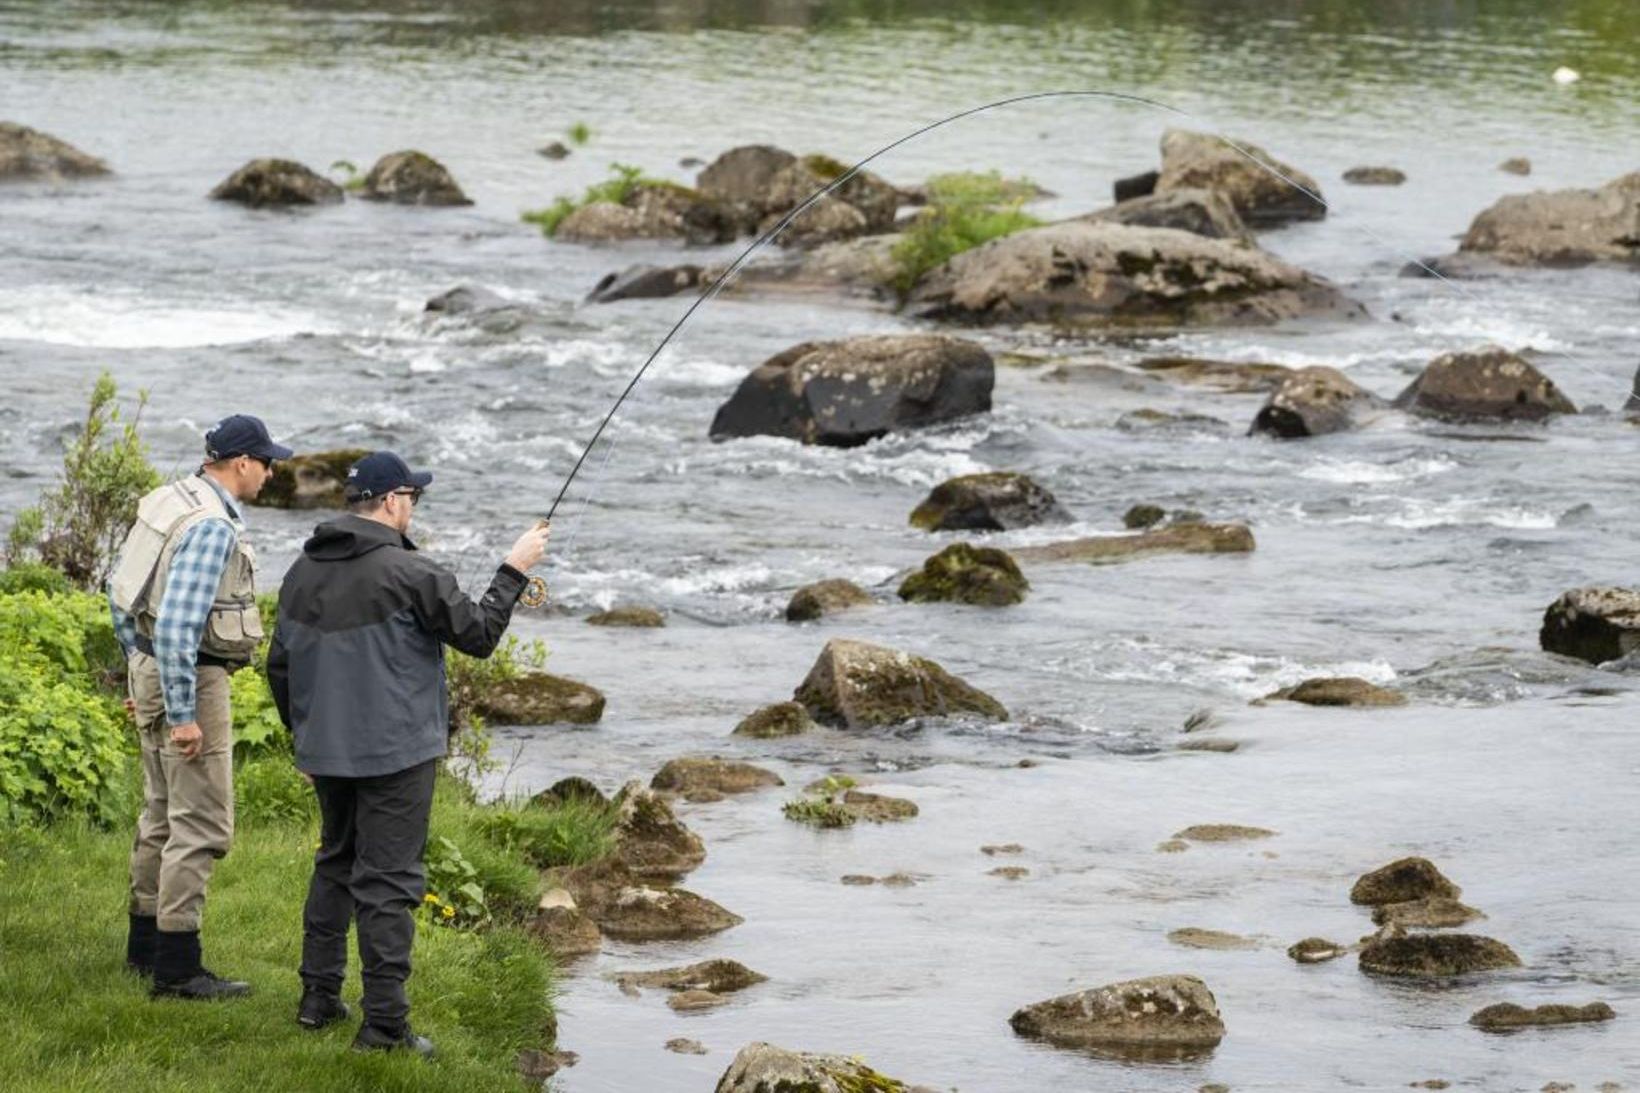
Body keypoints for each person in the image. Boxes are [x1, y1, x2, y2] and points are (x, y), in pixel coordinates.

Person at [266, 450, 551, 1056]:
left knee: (336, 860)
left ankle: (318, 1000)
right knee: (388, 884)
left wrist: (305, 737)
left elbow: (280, 666)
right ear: (393, 501)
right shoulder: (411, 573)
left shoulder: (300, 572)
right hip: (396, 755)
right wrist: (513, 569)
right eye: (413, 498)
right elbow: (476, 635)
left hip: (326, 751)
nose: (413, 508)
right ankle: (385, 1027)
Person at [107, 413, 292, 1000]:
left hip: (149, 667)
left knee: (160, 813)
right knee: (202, 822)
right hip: (191, 677)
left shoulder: (168, 499)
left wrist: (139, 682)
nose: (270, 473)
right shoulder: (212, 526)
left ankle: (145, 950)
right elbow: (184, 626)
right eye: (266, 462)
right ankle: (178, 969)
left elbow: (120, 596)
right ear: (241, 463)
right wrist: (183, 714)